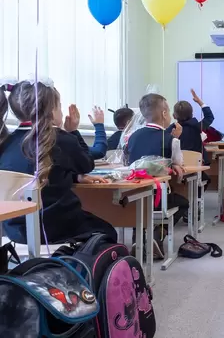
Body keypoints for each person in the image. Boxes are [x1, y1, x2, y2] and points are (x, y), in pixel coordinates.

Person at [0, 77, 117, 244]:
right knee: (107, 231)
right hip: (55, 227)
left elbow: (35, 173)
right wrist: (73, 132)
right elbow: (87, 164)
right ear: (52, 110)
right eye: (60, 106)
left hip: (15, 230)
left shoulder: (6, 142)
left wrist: (75, 177)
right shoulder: (62, 139)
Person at [127, 93, 188, 260]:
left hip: (133, 195)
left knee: (139, 205)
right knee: (184, 203)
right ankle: (158, 234)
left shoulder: (132, 137)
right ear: (164, 113)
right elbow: (179, 164)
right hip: (158, 197)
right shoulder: (171, 140)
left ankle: (136, 238)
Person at [169, 88, 214, 186]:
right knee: (206, 179)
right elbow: (210, 117)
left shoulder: (171, 130)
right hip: (196, 165)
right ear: (192, 114)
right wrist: (200, 102)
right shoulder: (197, 127)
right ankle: (197, 196)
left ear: (174, 116)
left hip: (178, 167)